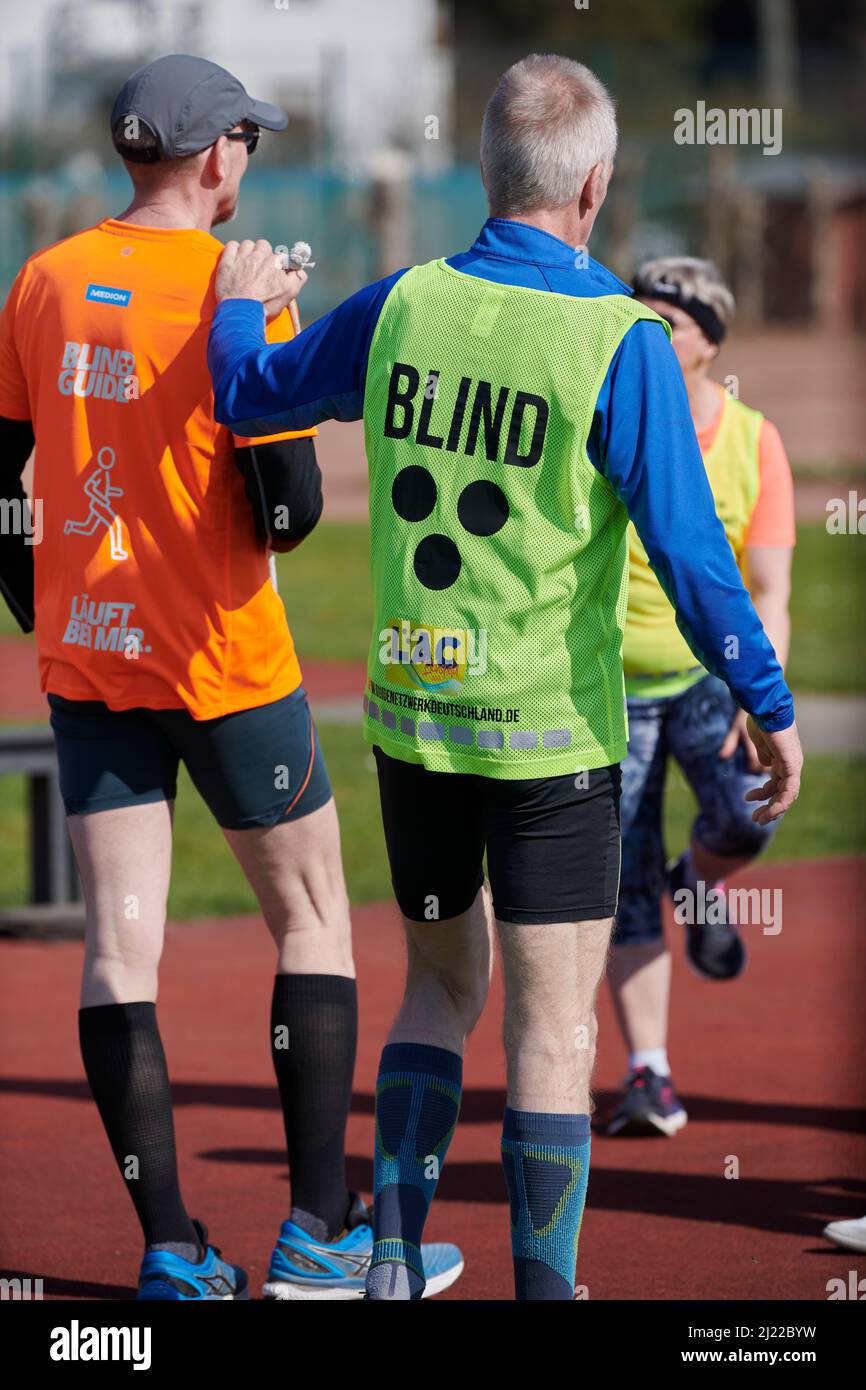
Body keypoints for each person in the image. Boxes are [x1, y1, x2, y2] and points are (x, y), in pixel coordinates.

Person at [207, 53, 803, 1301]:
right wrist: (766, 699)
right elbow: (693, 559)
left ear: (486, 172)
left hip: (414, 730)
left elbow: (248, 396)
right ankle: (544, 1293)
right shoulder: (617, 336)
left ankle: (386, 1258)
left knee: (434, 988)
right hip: (547, 746)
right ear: (591, 190)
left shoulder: (401, 301)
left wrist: (238, 299)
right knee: (550, 1028)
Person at [0, 53, 461, 1301]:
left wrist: (39, 603)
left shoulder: (39, 281)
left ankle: (171, 1250)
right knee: (312, 920)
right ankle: (317, 1231)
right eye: (245, 139)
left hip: (89, 659)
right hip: (223, 662)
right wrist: (252, 329)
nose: (246, 157)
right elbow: (292, 513)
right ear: (216, 157)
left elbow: (3, 480)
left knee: (119, 950)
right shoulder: (231, 284)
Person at [605, 257, 796, 1138]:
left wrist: (760, 698)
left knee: (749, 817)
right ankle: (651, 1075)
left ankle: (700, 881)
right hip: (608, 687)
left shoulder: (754, 440)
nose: (640, 332)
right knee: (624, 883)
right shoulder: (609, 413)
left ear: (708, 343)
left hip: (707, 683)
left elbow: (770, 593)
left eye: (664, 323)